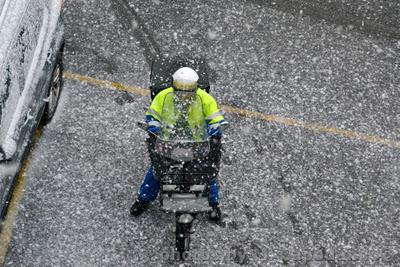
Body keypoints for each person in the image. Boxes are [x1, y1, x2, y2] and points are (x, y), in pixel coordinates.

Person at [130, 67, 226, 221]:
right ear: (174, 85)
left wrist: (217, 129)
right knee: (156, 171)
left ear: (195, 88)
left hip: (197, 142)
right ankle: (143, 199)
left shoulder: (205, 99)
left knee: (209, 172)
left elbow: (215, 118)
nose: (184, 94)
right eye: (180, 89)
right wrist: (153, 127)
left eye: (188, 90)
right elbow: (152, 115)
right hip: (168, 141)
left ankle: (213, 203)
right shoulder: (162, 96)